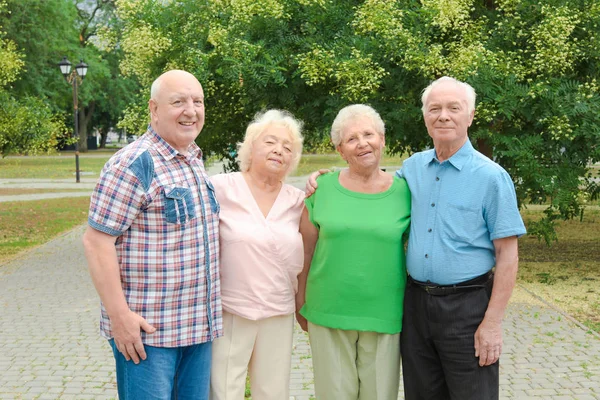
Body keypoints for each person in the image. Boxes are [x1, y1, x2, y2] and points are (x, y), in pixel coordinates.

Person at [307, 77, 526, 400]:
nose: (443, 116)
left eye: (454, 108)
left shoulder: (492, 177)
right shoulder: (412, 170)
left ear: (471, 115)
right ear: (425, 117)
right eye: (434, 108)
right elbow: (368, 187)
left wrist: (492, 323)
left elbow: (508, 255)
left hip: (466, 307)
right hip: (415, 306)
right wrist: (323, 179)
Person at [82, 69, 221, 400]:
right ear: (154, 109)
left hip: (197, 330)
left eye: (197, 101)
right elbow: (96, 241)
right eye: (178, 102)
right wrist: (120, 318)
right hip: (148, 335)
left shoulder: (193, 159)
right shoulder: (133, 164)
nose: (191, 110)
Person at [297, 104, 411, 400]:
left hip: (385, 314)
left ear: (382, 139)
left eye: (369, 134)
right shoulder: (320, 188)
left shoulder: (407, 192)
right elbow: (304, 253)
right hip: (328, 311)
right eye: (351, 139)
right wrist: (300, 303)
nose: (362, 143)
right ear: (340, 150)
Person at [209, 110, 305, 400]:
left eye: (288, 147)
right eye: (271, 142)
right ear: (251, 147)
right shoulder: (220, 188)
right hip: (231, 309)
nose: (279, 150)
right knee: (224, 391)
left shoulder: (298, 201)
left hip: (277, 310)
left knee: (273, 392)